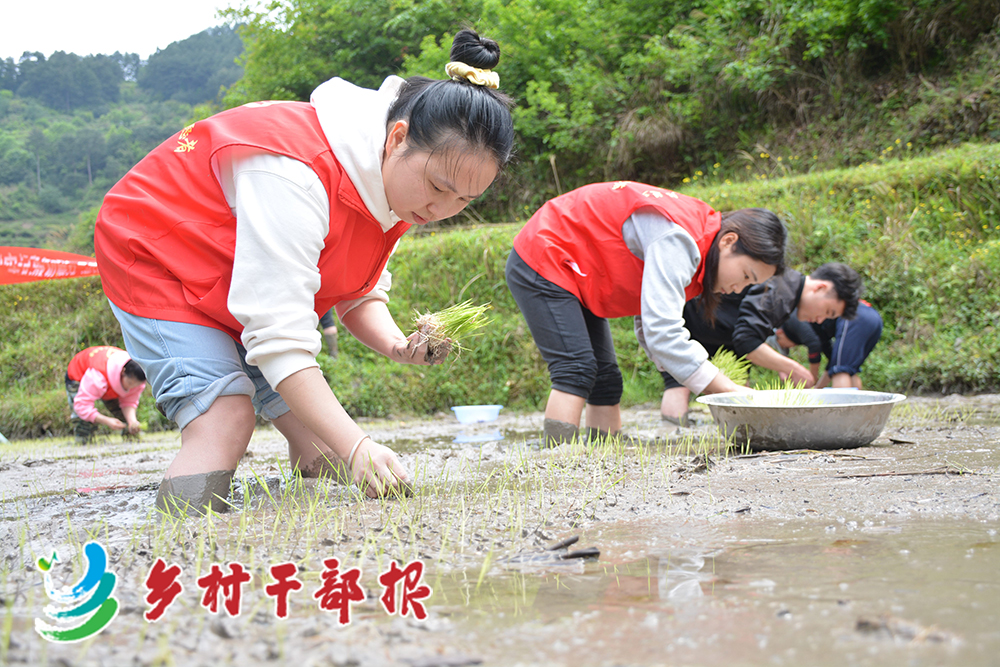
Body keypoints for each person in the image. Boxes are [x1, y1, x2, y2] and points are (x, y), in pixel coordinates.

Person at [94, 29, 514, 514]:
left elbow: (357, 288)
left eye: (464, 200)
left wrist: (400, 346)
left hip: (232, 272)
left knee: (324, 446)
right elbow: (279, 336)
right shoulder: (295, 174)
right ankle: (170, 546)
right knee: (226, 420)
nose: (443, 209)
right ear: (397, 138)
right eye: (439, 187)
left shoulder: (397, 187)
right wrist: (360, 446)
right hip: (157, 253)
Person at [506, 181, 787, 444]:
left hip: (579, 273)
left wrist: (679, 367)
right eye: (746, 275)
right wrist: (730, 390)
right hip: (546, 253)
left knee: (606, 378)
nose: (739, 288)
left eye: (750, 284)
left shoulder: (696, 238)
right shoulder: (680, 239)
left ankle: (600, 456)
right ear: (728, 242)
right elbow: (662, 334)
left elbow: (650, 320)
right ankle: (556, 462)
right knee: (576, 369)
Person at [660, 262, 862, 423]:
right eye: (828, 312)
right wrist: (795, 368)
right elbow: (747, 340)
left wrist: (782, 365)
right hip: (692, 320)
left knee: (730, 389)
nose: (820, 320)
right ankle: (672, 446)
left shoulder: (787, 290)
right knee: (679, 383)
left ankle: (681, 438)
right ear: (820, 288)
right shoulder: (784, 286)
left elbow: (746, 336)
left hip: (717, 330)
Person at [776, 299, 883, 389]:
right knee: (849, 368)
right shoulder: (819, 331)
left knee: (840, 371)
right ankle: (861, 408)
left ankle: (841, 413)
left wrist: (811, 379)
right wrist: (817, 389)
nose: (788, 347)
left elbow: (814, 344)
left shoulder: (792, 320)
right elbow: (832, 362)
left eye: (783, 345)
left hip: (854, 315)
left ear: (779, 333)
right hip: (872, 318)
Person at [66, 346, 147, 444]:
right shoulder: (97, 377)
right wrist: (106, 421)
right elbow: (82, 406)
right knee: (82, 419)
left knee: (122, 415)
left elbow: (129, 402)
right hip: (79, 374)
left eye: (136, 385)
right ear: (123, 372)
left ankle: (131, 438)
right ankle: (83, 441)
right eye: (130, 383)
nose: (132, 388)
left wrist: (132, 422)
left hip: (112, 378)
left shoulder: (138, 376)